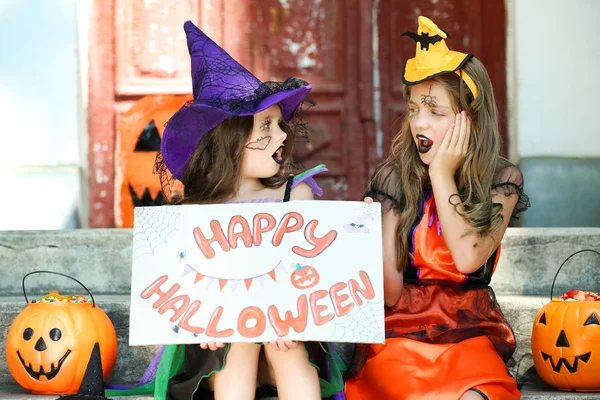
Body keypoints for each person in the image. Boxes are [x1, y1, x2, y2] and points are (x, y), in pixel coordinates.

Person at [147, 21, 346, 400]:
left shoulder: (296, 195)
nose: (284, 135)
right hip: (219, 345)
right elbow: (185, 282)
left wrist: (290, 315)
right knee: (238, 339)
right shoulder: (200, 207)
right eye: (267, 125)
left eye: (280, 124)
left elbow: (311, 270)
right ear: (231, 142)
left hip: (287, 334)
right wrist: (200, 321)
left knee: (279, 342)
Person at [344, 16, 529, 400]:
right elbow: (392, 294)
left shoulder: (502, 180)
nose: (418, 122)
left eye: (434, 111)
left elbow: (466, 257)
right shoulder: (395, 177)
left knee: (477, 395)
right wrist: (372, 236)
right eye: (413, 109)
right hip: (402, 331)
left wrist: (443, 174)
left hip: (469, 332)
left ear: (471, 120)